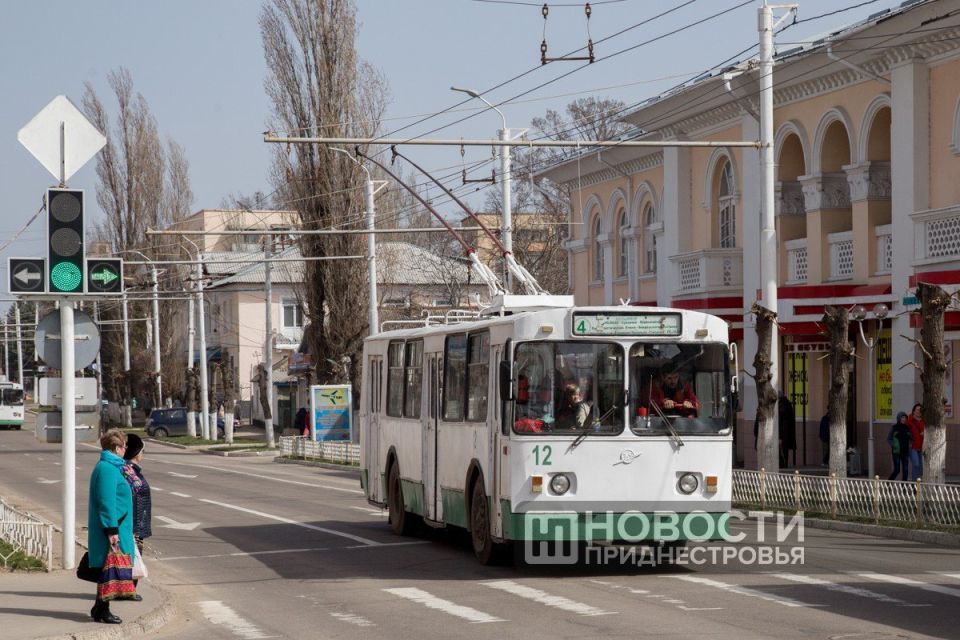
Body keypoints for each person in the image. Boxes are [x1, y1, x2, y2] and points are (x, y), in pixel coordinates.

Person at [87, 428, 135, 624]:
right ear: (116, 448)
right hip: (112, 528)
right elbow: (106, 501)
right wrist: (111, 530)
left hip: (116, 525)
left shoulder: (111, 466)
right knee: (108, 568)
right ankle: (102, 609)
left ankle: (100, 607)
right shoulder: (107, 468)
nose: (125, 450)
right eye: (124, 447)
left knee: (107, 568)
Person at [122, 433, 152, 597]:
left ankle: (129, 589)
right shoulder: (129, 472)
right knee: (132, 556)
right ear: (136, 452)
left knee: (134, 555)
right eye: (142, 450)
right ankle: (128, 590)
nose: (143, 454)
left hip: (137, 521)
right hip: (133, 523)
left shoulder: (131, 471)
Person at [887, 411, 912, 481]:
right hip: (896, 452)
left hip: (905, 452)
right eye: (902, 417)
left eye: (905, 417)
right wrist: (893, 445)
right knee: (897, 470)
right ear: (899, 418)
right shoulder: (894, 428)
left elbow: (911, 438)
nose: (904, 419)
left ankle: (903, 487)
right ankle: (889, 482)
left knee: (905, 471)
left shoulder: (907, 428)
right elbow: (889, 438)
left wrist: (910, 435)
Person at [778, 391, 797, 468]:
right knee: (784, 448)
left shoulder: (782, 405)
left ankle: (782, 463)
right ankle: (784, 463)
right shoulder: (787, 404)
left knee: (782, 448)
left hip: (783, 431)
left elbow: (781, 418)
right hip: (787, 431)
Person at [907, 403, 924, 481]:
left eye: (920, 410)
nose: (919, 411)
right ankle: (914, 485)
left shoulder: (923, 421)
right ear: (913, 411)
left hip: (921, 447)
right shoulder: (909, 420)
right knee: (916, 464)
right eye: (917, 410)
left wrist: (923, 433)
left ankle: (918, 483)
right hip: (912, 447)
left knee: (921, 467)